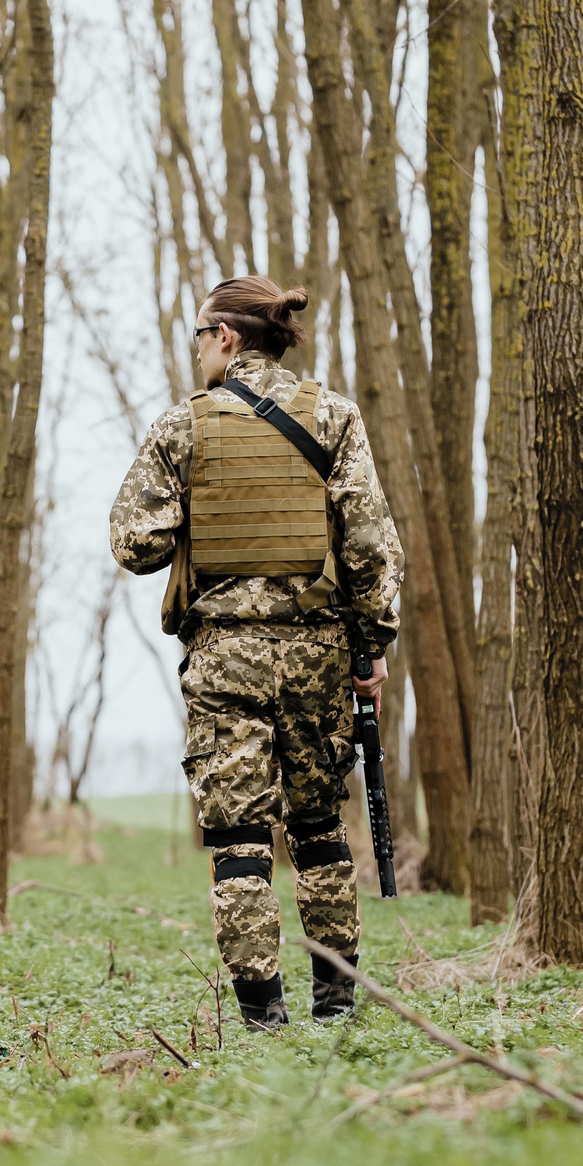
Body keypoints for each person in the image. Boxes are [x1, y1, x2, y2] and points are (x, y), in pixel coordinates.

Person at [109, 275, 404, 1029]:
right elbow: (372, 546)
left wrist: (199, 516)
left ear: (228, 337)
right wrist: (372, 647)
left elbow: (133, 544)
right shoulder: (335, 417)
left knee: (239, 837)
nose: (198, 349)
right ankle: (336, 1006)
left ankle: (262, 1019)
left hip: (226, 660)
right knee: (318, 827)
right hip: (317, 655)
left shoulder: (183, 428)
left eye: (200, 335)